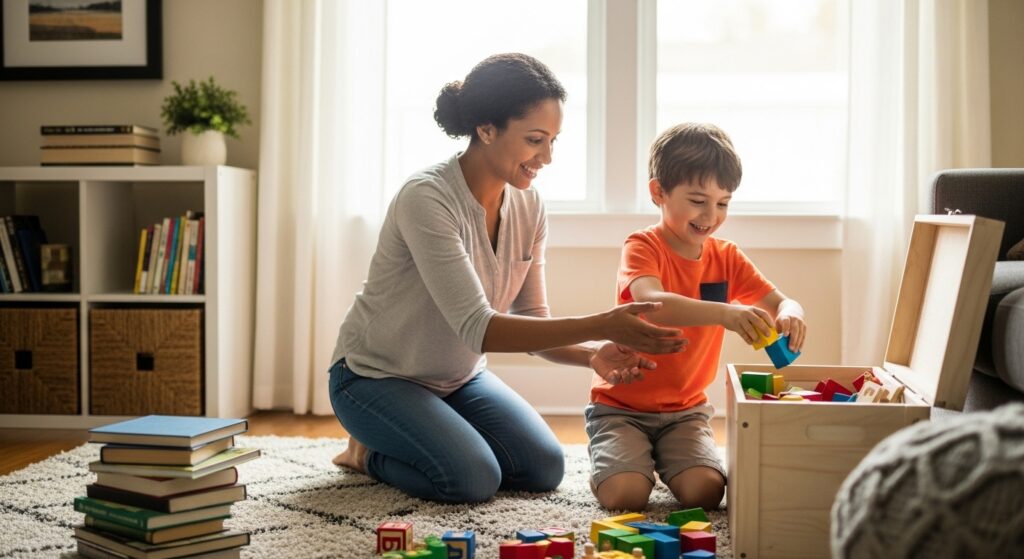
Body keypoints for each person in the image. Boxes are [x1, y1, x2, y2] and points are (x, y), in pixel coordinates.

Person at [328, 53, 687, 504]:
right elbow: (479, 327)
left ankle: (426, 432)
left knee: (542, 468)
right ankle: (367, 454)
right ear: (486, 129)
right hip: (374, 378)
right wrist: (602, 324)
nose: (548, 157)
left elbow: (534, 321)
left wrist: (593, 355)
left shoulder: (528, 205)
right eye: (535, 140)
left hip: (457, 378)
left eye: (554, 140)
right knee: (470, 478)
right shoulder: (427, 199)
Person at [586, 122, 808, 511]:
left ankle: (655, 460)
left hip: (685, 412)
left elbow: (781, 301)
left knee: (706, 492)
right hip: (620, 408)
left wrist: (792, 312)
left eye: (723, 203)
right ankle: (621, 464)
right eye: (698, 200)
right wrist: (726, 314)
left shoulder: (727, 256)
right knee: (625, 496)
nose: (711, 215)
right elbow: (654, 301)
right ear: (659, 192)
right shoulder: (642, 246)